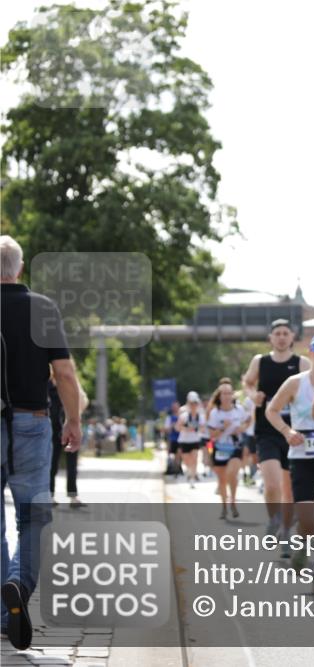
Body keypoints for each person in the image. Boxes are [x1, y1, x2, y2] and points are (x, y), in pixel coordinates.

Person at [1, 235, 82, 651]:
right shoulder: (42, 308)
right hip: (31, 421)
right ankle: (19, 582)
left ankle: (2, 612)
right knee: (32, 516)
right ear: (20, 269)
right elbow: (65, 373)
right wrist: (73, 419)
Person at [267, 333, 314, 591]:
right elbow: (271, 410)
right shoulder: (295, 382)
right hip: (303, 458)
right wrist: (287, 432)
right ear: (310, 352)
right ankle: (302, 542)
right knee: (309, 521)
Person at [243, 319, 310, 547]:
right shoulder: (260, 361)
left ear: (292, 337)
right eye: (277, 333)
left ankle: (285, 528)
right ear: (270, 338)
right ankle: (274, 518)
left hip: (294, 432)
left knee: (289, 489)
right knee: (271, 484)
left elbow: (313, 389)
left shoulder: (302, 363)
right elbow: (248, 383)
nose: (281, 337)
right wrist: (252, 395)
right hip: (267, 430)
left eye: (285, 333)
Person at [206, 378, 251, 519]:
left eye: (229, 393)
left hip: (235, 446)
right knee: (222, 480)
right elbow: (211, 434)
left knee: (232, 473)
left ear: (233, 395)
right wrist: (223, 428)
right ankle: (224, 507)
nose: (227, 396)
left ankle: (233, 502)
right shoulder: (215, 413)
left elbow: (248, 420)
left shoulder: (239, 409)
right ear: (219, 396)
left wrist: (242, 428)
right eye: (224, 393)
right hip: (219, 448)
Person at [48, 378, 87, 508]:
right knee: (52, 464)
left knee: (70, 464)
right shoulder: (48, 383)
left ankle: (72, 496)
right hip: (54, 428)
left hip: (68, 426)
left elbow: (83, 400)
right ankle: (51, 494)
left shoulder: (71, 381)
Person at [176, 392, 206, 488]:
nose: (193, 405)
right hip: (184, 440)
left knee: (194, 458)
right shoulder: (183, 415)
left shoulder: (200, 415)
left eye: (195, 403)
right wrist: (186, 429)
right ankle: (190, 472)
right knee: (186, 460)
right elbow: (177, 427)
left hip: (195, 440)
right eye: (191, 403)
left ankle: (192, 478)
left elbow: (203, 428)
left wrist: (196, 429)